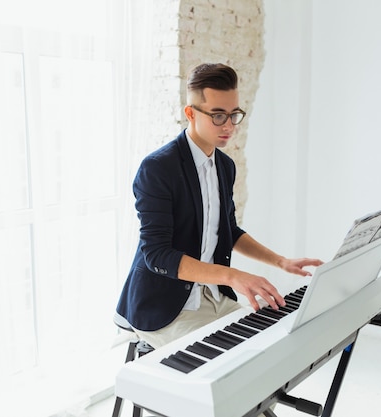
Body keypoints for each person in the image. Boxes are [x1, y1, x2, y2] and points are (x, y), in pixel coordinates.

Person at [115, 63, 323, 349]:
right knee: (233, 365)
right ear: (190, 113)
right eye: (218, 115)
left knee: (272, 344)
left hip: (214, 296)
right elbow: (157, 255)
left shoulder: (224, 166)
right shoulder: (157, 169)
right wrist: (233, 275)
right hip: (162, 307)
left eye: (234, 114)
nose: (228, 126)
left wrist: (281, 262)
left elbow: (229, 230)